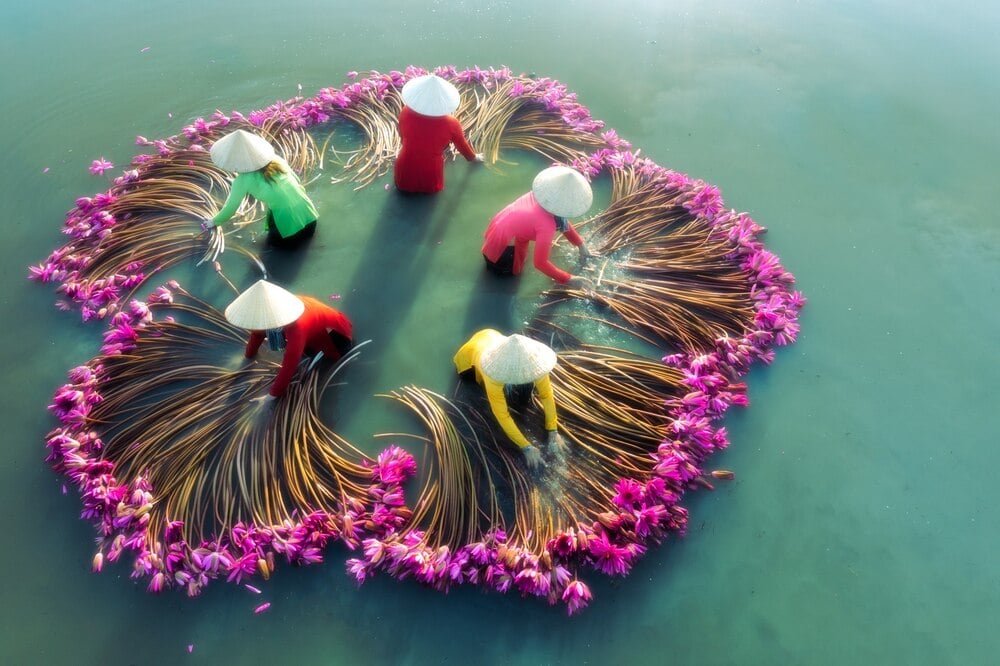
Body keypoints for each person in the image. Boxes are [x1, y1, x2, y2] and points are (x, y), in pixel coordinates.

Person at [454, 329, 565, 469]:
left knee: (523, 392)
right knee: (477, 387)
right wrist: (526, 447)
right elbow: (502, 415)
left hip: (495, 337)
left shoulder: (534, 363)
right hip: (470, 357)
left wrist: (553, 430)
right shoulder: (492, 371)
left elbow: (546, 395)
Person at [225, 280, 353, 400]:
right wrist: (247, 357)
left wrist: (271, 396)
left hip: (334, 334)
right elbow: (257, 334)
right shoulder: (272, 311)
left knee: (337, 360)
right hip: (312, 333)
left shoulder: (297, 328)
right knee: (308, 356)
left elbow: (289, 365)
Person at [482, 166, 594, 285]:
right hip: (502, 253)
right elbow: (540, 263)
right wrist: (568, 278)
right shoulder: (547, 226)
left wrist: (580, 245)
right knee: (513, 274)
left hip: (497, 231)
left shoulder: (540, 198)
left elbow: (562, 221)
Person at [207, 129, 319, 248]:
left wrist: (212, 222)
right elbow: (296, 181)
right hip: (310, 216)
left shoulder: (241, 181)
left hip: (288, 228)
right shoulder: (277, 160)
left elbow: (230, 209)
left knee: (273, 252)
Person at [394, 74, 484, 194]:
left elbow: (402, 137)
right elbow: (462, 147)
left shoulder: (405, 112)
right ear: (443, 101)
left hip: (404, 170)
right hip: (430, 174)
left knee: (403, 188)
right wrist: (475, 158)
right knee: (430, 194)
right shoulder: (451, 123)